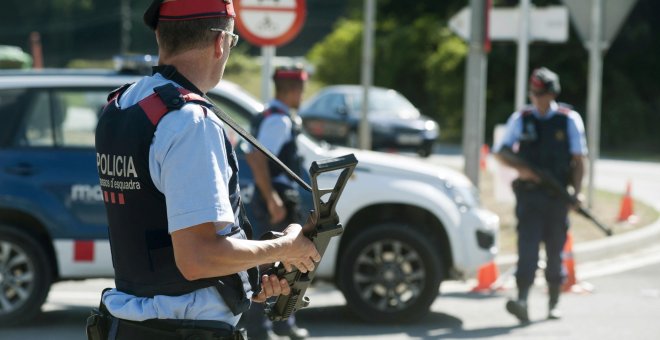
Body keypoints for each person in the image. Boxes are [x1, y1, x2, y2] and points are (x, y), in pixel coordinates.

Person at [92, 0, 321, 339]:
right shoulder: (189, 122)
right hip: (182, 330)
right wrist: (288, 247)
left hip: (131, 324)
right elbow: (197, 258)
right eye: (232, 42)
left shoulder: (124, 106)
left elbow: (159, 240)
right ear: (220, 42)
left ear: (160, 36)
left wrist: (242, 279)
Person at [493, 67, 588, 323]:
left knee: (555, 250)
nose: (537, 99)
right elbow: (501, 151)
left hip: (557, 197)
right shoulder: (522, 118)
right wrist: (523, 170)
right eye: (533, 94)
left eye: (541, 94)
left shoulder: (568, 119)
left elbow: (579, 160)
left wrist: (577, 194)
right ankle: (522, 299)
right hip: (530, 196)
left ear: (552, 93)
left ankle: (553, 302)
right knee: (527, 248)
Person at [239, 66, 309, 340]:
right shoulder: (278, 120)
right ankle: (261, 329)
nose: (302, 96)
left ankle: (282, 324)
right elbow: (257, 158)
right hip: (275, 203)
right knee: (270, 268)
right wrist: (272, 198)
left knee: (284, 267)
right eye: (301, 90)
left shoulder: (269, 114)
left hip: (276, 200)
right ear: (293, 90)